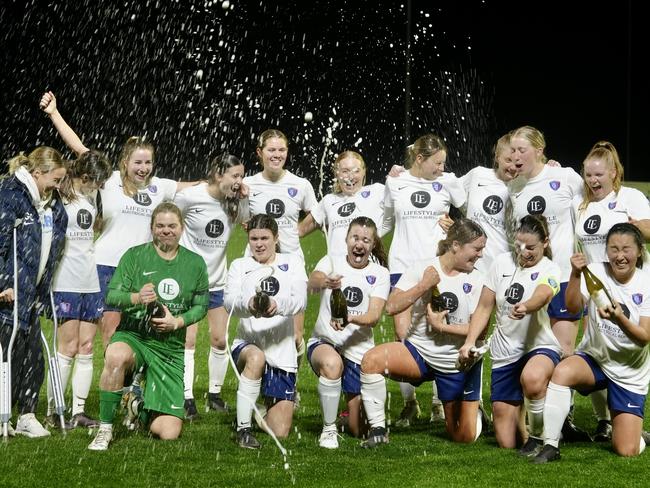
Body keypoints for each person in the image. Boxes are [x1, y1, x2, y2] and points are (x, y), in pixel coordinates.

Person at [40, 91, 197, 346]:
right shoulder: (109, 180)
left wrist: (235, 185)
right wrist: (55, 113)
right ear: (125, 162)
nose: (143, 168)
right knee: (111, 332)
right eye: (138, 162)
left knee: (143, 331)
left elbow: (196, 186)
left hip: (142, 267)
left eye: (148, 162)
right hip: (106, 265)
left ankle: (132, 385)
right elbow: (80, 150)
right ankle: (114, 384)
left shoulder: (160, 186)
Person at [88, 202, 209, 450]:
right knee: (115, 355)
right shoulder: (134, 256)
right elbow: (111, 296)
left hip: (169, 348)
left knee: (168, 432)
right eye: (160, 226)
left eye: (172, 226)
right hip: (135, 335)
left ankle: (137, 405)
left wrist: (177, 321)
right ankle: (105, 429)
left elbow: (201, 305)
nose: (166, 231)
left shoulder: (195, 263)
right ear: (152, 228)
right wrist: (135, 297)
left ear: (182, 228)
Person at [360, 219, 486, 447]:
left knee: (462, 437)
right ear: (456, 245)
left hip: (457, 362)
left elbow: (480, 332)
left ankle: (476, 412)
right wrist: (423, 286)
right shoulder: (422, 268)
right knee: (371, 361)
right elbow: (391, 306)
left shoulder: (478, 279)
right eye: (477, 249)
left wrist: (443, 327)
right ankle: (378, 431)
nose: (480, 255)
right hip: (419, 354)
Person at [532, 223, 650, 463]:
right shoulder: (595, 271)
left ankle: (638, 435)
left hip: (629, 372)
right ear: (606, 251)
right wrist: (575, 275)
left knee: (626, 449)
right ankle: (550, 445)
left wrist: (619, 319)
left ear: (639, 251)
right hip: (595, 358)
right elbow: (574, 307)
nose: (619, 256)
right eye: (613, 249)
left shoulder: (646, 284)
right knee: (562, 371)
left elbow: (643, 337)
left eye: (626, 249)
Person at [508, 126, 588, 440]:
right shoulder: (515, 187)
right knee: (529, 350)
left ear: (540, 151)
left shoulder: (566, 177)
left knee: (564, 352)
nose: (515, 156)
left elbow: (590, 204)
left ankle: (561, 420)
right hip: (531, 282)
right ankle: (529, 420)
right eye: (512, 150)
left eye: (522, 150)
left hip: (564, 280)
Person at [459, 215, 562, 454]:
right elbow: (484, 307)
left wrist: (528, 306)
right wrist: (470, 342)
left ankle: (541, 438)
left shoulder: (550, 267)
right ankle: (529, 418)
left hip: (538, 347)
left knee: (533, 378)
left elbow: (544, 293)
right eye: (519, 246)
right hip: (505, 353)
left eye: (531, 247)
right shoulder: (501, 263)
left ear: (545, 243)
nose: (524, 252)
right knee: (507, 441)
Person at [383, 133, 466, 426]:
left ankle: (436, 402)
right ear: (420, 159)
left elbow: (468, 211)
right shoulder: (395, 181)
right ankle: (409, 403)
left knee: (438, 329)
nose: (442, 168)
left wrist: (455, 227)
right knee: (403, 334)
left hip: (437, 266)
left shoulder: (449, 182)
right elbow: (384, 221)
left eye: (444, 162)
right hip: (402, 266)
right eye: (437, 163)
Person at [573, 141, 650, 441]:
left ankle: (629, 418)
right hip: (595, 287)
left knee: (630, 349)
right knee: (594, 347)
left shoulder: (628, 196)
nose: (592, 181)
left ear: (614, 173)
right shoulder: (581, 203)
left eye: (598, 175)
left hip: (629, 286)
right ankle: (604, 420)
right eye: (588, 175)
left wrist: (633, 226)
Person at [0, 146, 67, 438]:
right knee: (5, 354)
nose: (59, 185)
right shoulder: (11, 195)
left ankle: (26, 413)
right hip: (11, 291)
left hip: (34, 291)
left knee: (33, 357)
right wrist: (3, 281)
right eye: (55, 179)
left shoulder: (51, 204)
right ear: (38, 173)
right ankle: (2, 414)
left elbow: (56, 243)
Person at [174, 154, 248, 418]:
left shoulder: (233, 203)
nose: (239, 181)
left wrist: (245, 197)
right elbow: (168, 219)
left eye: (242, 176)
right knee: (188, 340)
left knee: (219, 340)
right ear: (219, 174)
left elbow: (247, 222)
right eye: (235, 176)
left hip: (218, 282)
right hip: (189, 283)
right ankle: (186, 397)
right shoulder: (191, 197)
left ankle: (214, 395)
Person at [225, 214, 307, 449]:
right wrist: (249, 305)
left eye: (264, 238)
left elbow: (300, 301)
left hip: (281, 353)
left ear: (276, 238)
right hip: (247, 345)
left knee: (279, 431)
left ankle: (254, 407)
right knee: (255, 357)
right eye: (254, 238)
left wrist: (276, 306)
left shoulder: (292, 263)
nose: (259, 244)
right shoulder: (240, 266)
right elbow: (229, 302)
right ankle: (243, 431)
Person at [307, 216, 390, 449]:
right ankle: (328, 430)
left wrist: (349, 318)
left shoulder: (380, 273)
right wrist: (326, 281)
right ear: (346, 240)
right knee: (332, 364)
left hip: (357, 350)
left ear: (373, 245)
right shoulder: (332, 261)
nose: (359, 244)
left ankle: (347, 416)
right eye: (355, 237)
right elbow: (312, 282)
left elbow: (373, 317)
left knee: (358, 429)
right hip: (325, 343)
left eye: (366, 239)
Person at [243, 129, 317, 392]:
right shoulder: (248, 184)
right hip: (256, 264)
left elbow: (316, 215)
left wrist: (295, 232)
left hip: (291, 265)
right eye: (271, 150)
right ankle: (257, 384)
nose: (277, 155)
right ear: (259, 152)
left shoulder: (300, 184)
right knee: (257, 330)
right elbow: (240, 218)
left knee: (295, 334)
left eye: (281, 150)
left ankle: (289, 388)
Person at [45, 150, 112, 429]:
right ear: (84, 177)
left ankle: (79, 412)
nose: (100, 187)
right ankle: (54, 410)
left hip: (90, 280)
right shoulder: (58, 193)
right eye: (96, 181)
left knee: (86, 347)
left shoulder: (92, 195)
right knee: (68, 347)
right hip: (64, 281)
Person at [299, 151, 389, 254]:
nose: (350, 177)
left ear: (364, 172)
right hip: (337, 268)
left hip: (369, 266)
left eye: (356, 171)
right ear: (337, 174)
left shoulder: (378, 191)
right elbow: (300, 230)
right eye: (345, 171)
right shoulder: (329, 200)